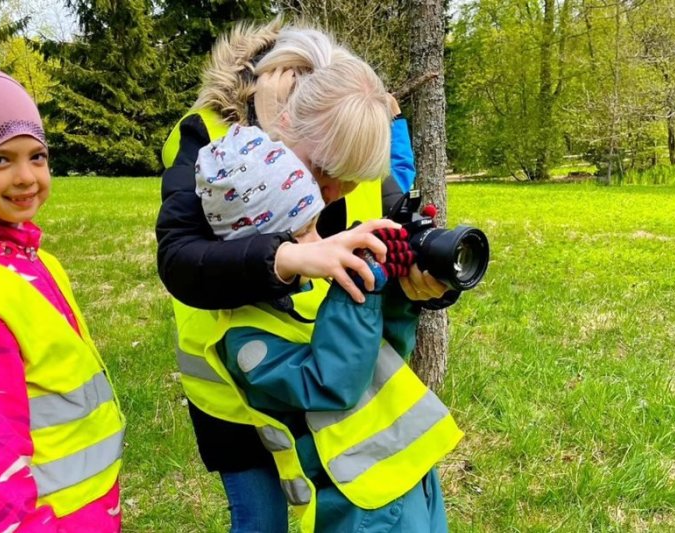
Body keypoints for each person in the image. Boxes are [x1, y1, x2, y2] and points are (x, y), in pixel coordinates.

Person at [156, 19, 456, 532]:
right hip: (240, 384)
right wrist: (287, 259)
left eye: (353, 178)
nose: (338, 193)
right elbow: (180, 260)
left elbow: (392, 255)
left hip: (335, 388)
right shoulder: (207, 135)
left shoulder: (349, 121)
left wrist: (421, 288)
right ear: (288, 128)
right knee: (260, 521)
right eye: (324, 172)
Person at [192, 123, 462, 532]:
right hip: (360, 502)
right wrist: (358, 291)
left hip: (410, 468)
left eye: (316, 224)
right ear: (261, 243)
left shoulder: (305, 294)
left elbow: (382, 353)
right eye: (303, 233)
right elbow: (334, 384)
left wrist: (398, 294)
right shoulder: (245, 341)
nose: (320, 242)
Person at [0, 64, 124, 532]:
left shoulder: (31, 259)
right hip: (44, 519)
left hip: (86, 505)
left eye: (37, 156)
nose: (26, 176)